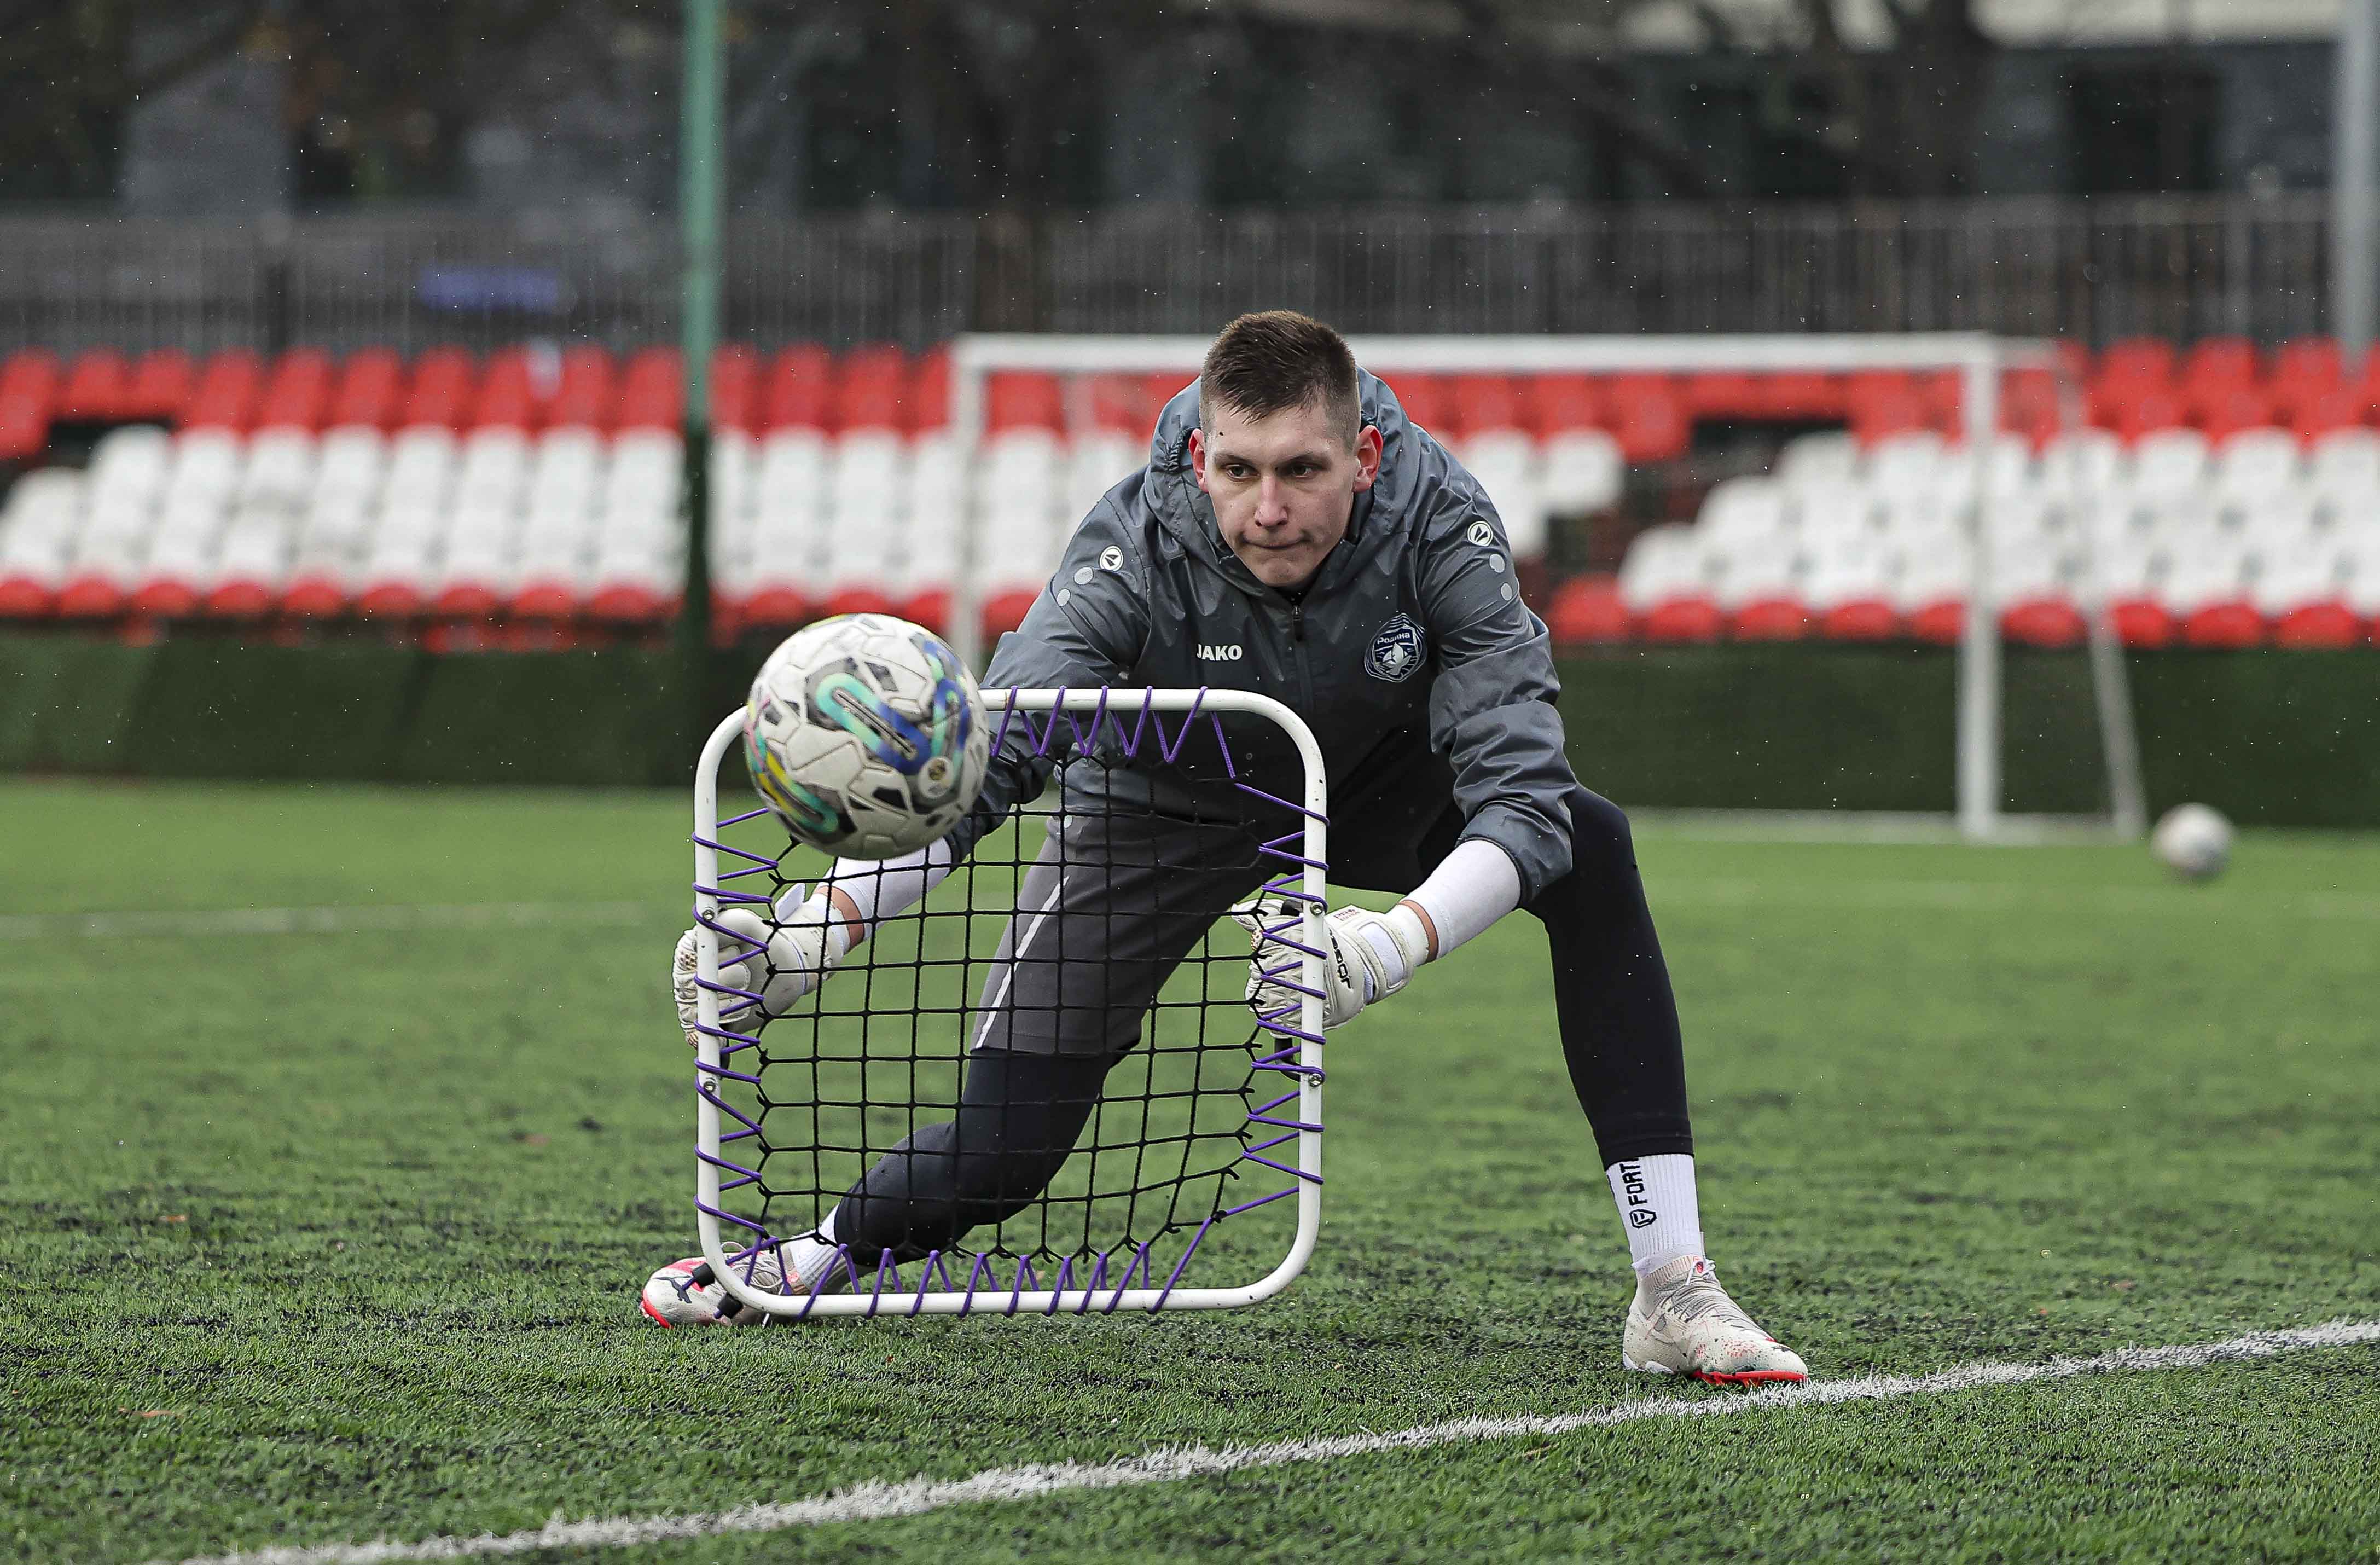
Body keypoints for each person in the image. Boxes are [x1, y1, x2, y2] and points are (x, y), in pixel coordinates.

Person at [644, 311, 1807, 1386]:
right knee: (1002, 1153)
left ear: (1366, 454)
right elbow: (990, 766)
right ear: (1201, 458)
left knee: (1591, 846)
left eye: (1304, 470)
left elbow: (1526, 793)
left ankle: (1673, 1285)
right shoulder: (1130, 542)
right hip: (1157, 809)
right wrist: (812, 933)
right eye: (1240, 472)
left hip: (1369, 787)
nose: (1268, 509)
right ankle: (811, 1258)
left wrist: (1385, 948)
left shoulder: (1445, 518)